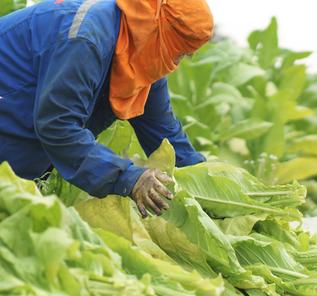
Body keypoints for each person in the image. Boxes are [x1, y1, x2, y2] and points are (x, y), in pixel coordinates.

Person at [0, 0, 214, 217]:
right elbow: (58, 126)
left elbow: (165, 134)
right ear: (159, 31)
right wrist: (129, 179)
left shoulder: (144, 56)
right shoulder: (88, 38)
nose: (180, 61)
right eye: (181, 52)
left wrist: (213, 189)